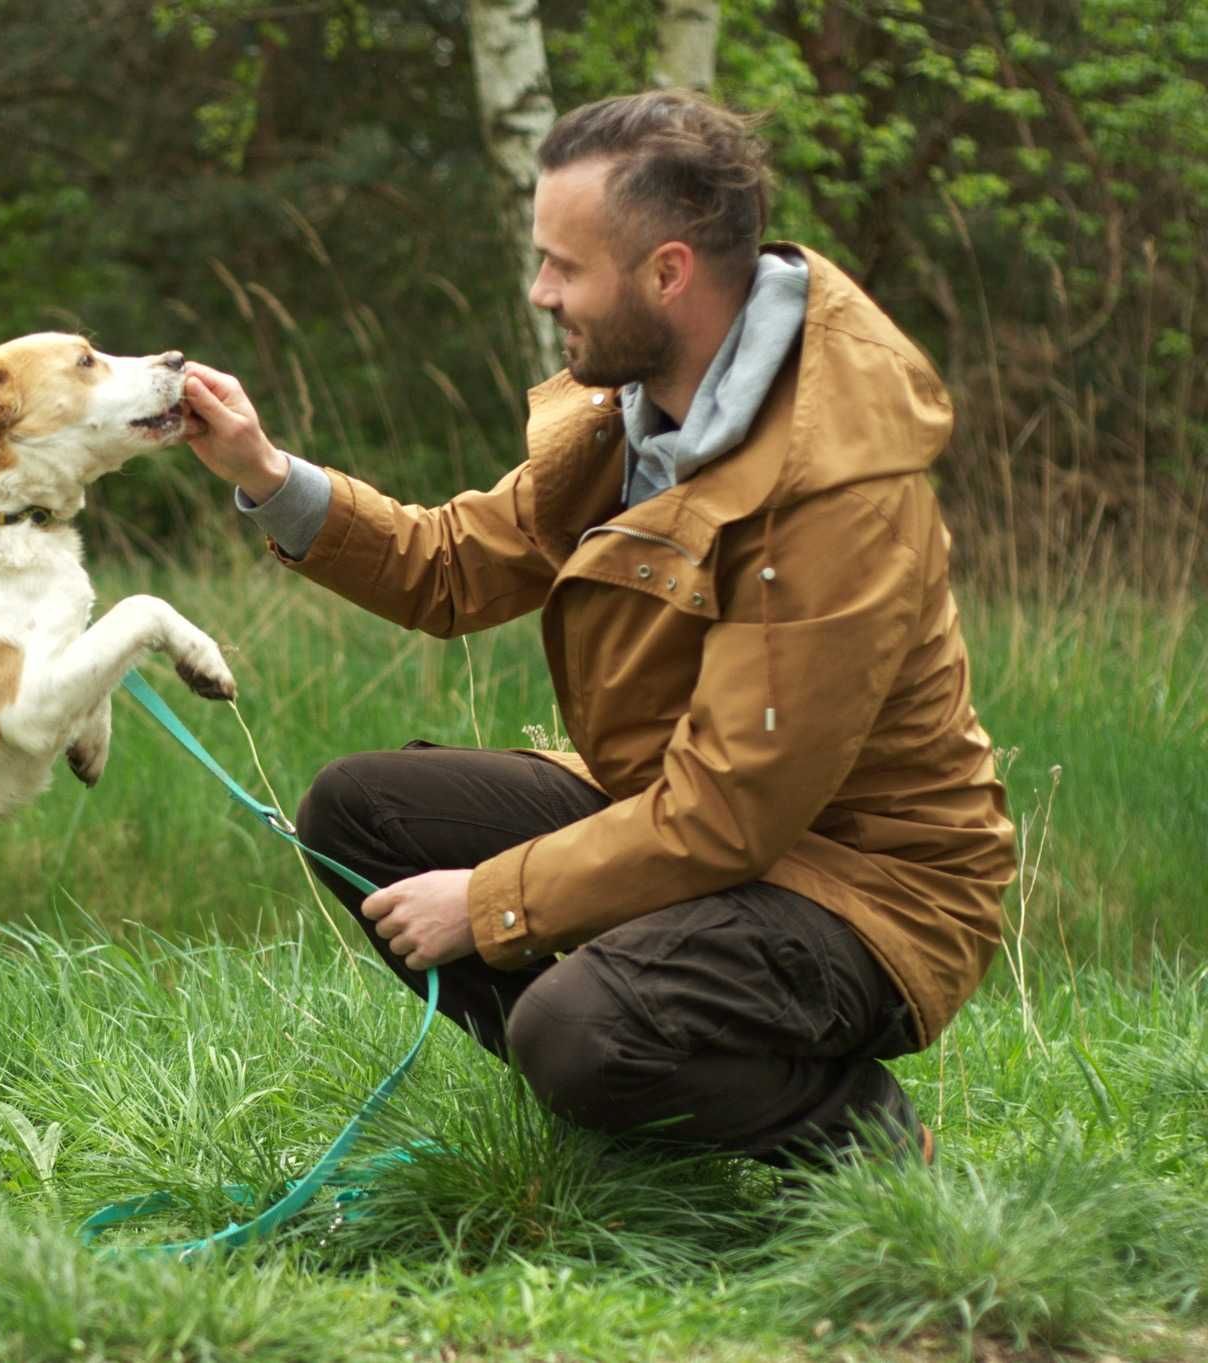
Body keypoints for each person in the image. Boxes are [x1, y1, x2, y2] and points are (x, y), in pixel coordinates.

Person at [178, 89, 1016, 1167]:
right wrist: (263, 475)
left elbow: (730, 813)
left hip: (866, 891)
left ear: (665, 271)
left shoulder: (830, 487)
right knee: (362, 812)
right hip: (689, 821)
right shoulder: (635, 408)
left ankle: (859, 1143)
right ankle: (643, 1090)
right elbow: (452, 565)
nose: (540, 293)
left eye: (563, 267)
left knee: (576, 1031)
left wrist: (490, 903)